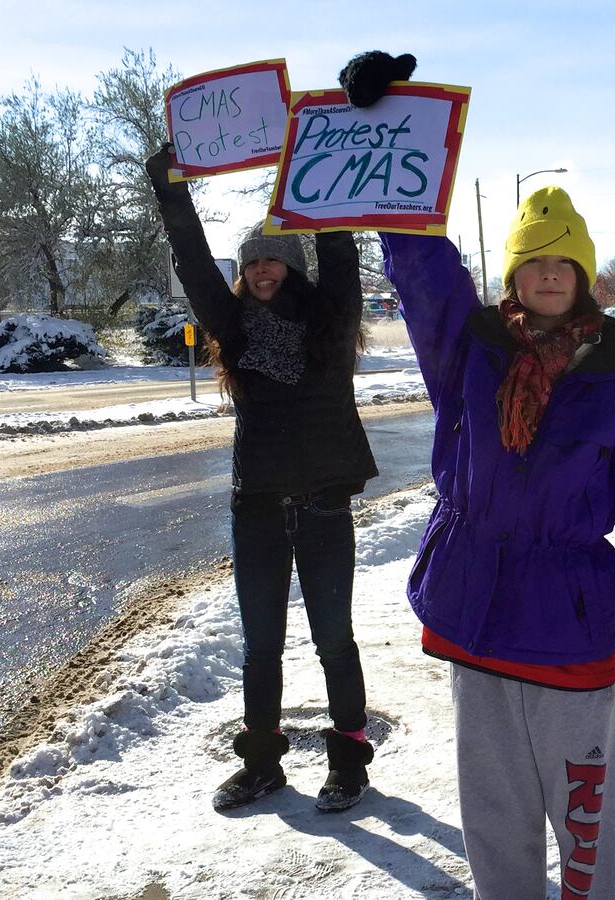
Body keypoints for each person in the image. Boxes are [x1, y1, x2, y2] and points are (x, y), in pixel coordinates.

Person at [340, 51, 615, 900]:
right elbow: (424, 277)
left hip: (569, 632)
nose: (547, 273)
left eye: (563, 263)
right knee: (493, 819)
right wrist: (388, 132)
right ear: (516, 273)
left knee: (581, 821)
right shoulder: (474, 349)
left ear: (581, 277)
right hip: (479, 615)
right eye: (534, 260)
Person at [145, 144, 378, 813]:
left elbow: (339, 251)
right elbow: (192, 262)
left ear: (293, 264)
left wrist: (332, 176)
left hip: (324, 504)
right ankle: (262, 765)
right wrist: (170, 194)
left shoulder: (330, 321)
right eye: (251, 261)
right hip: (258, 508)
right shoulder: (234, 327)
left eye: (271, 256)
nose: (260, 268)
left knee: (334, 638)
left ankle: (349, 760)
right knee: (260, 646)